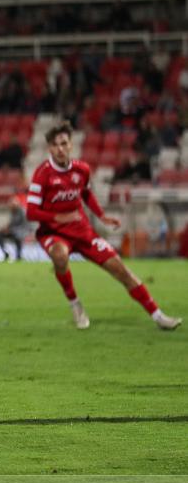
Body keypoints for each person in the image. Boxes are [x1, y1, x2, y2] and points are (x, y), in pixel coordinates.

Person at [26, 121, 181, 330]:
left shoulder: (82, 169)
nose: (60, 149)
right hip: (53, 232)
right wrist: (58, 218)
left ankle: (158, 316)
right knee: (60, 256)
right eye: (55, 145)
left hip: (83, 232)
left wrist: (102, 216)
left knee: (120, 270)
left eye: (63, 144)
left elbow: (86, 193)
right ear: (49, 148)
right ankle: (75, 304)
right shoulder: (42, 173)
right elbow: (31, 212)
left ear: (71, 145)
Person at [0, 195, 30, 261]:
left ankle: (18, 255)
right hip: (13, 231)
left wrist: (10, 230)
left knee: (17, 237)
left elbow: (23, 225)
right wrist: (5, 228)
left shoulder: (22, 211)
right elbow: (12, 223)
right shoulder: (13, 212)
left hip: (21, 231)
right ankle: (5, 252)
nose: (10, 206)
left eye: (11, 204)